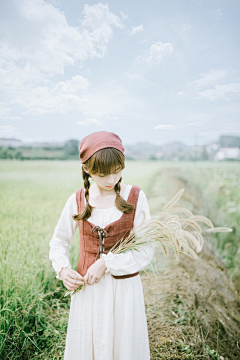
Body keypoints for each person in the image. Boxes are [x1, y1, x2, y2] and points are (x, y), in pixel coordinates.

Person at [49, 131, 154, 360]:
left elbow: (146, 249)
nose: (111, 180)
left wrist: (106, 263)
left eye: (117, 171)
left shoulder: (135, 197)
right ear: (87, 169)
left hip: (124, 290)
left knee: (123, 346)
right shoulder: (77, 200)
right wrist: (63, 269)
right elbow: (59, 241)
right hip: (89, 291)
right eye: (103, 174)